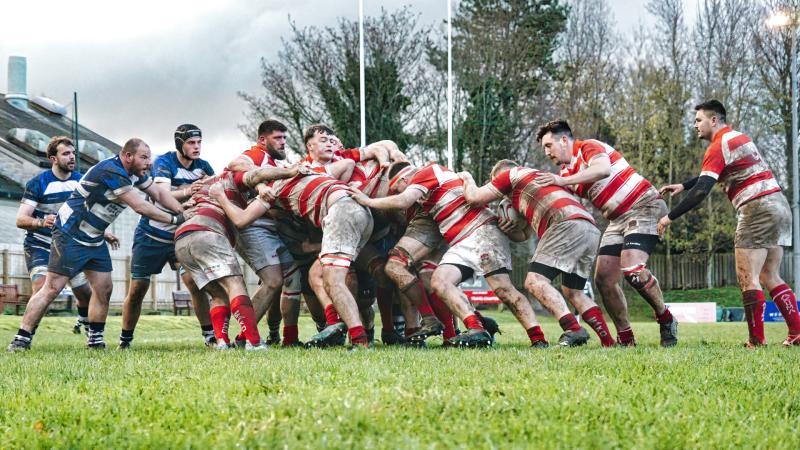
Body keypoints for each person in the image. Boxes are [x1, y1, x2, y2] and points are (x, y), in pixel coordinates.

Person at [8, 139, 187, 352]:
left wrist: (182, 211)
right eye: (144, 157)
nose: (149, 163)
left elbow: (158, 193)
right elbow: (140, 206)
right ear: (128, 156)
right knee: (52, 288)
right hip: (70, 234)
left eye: (149, 158)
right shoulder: (112, 170)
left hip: (93, 237)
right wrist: (175, 220)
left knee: (104, 288)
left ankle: (95, 340)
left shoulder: (135, 173)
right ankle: (21, 339)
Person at [348, 162, 547, 348]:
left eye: (398, 188)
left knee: (503, 289)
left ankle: (538, 338)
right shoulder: (431, 194)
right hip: (460, 242)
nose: (399, 193)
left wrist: (368, 200)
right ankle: (477, 327)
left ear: (404, 180)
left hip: (481, 231)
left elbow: (403, 200)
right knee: (439, 282)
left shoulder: (427, 172)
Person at [658, 100, 800, 347]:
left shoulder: (717, 146)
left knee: (747, 277)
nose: (695, 125)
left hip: (756, 208)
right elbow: (712, 175)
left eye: (699, 120)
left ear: (714, 120)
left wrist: (668, 218)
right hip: (779, 205)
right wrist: (684, 185)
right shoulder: (738, 138)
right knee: (769, 274)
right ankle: (797, 332)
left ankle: (756, 341)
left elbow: (702, 190)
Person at [535, 120, 678, 347]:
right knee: (603, 280)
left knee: (632, 268)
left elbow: (602, 169)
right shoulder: (565, 172)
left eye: (548, 145)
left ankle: (666, 318)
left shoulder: (587, 147)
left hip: (644, 205)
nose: (546, 152)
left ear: (563, 140)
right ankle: (626, 339)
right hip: (617, 220)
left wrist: (562, 180)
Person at [461, 160, 615, 346]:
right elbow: (524, 235)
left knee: (534, 281)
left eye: (496, 182)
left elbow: (474, 198)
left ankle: (573, 329)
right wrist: (508, 228)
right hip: (589, 228)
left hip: (564, 223)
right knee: (574, 292)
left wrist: (466, 178)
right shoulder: (534, 182)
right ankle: (608, 342)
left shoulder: (511, 175)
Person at [174, 164, 301, 350]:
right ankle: (254, 342)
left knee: (218, 293)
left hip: (181, 240)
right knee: (235, 284)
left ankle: (222, 342)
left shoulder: (203, 187)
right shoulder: (231, 178)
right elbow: (258, 174)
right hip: (207, 231)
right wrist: (290, 171)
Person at [119, 124, 215, 349]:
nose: (197, 147)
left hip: (181, 237)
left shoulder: (204, 166)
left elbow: (214, 191)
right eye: (191, 143)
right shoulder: (164, 162)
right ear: (180, 144)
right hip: (151, 235)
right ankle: (125, 339)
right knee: (138, 289)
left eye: (199, 142)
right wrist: (189, 191)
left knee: (194, 282)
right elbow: (162, 195)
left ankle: (209, 336)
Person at [16, 136, 103, 335]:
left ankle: (84, 321)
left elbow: (88, 214)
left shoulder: (82, 182)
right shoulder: (38, 183)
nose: (72, 157)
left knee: (85, 293)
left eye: (73, 153)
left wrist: (103, 232)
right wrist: (41, 222)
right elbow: (21, 219)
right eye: (66, 154)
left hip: (69, 245)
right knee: (42, 287)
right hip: (40, 244)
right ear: (53, 159)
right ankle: (25, 335)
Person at [227, 120, 303, 347]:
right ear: (262, 140)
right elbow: (235, 163)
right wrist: (259, 184)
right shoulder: (257, 154)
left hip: (271, 229)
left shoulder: (272, 162)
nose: (283, 142)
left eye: (284, 138)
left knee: (293, 276)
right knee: (273, 281)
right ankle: (244, 339)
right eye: (277, 138)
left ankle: (290, 339)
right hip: (253, 226)